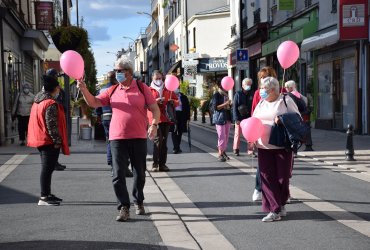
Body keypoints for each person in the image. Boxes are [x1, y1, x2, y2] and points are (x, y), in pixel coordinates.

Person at [77, 57, 160, 222]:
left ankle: (138, 200)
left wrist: (154, 124)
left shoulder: (142, 89)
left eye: (119, 71)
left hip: (138, 137)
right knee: (117, 174)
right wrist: (84, 89)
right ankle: (124, 207)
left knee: (140, 173)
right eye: (116, 70)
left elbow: (155, 109)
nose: (116, 73)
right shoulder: (112, 90)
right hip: (117, 138)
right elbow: (94, 103)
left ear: (128, 72)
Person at [251, 76, 299, 222]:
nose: (261, 91)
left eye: (263, 89)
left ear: (272, 90)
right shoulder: (261, 102)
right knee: (266, 178)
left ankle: (281, 202)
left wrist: (282, 119)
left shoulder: (285, 100)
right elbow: (253, 120)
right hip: (263, 146)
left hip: (282, 145)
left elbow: (297, 118)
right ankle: (274, 209)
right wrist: (251, 139)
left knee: (282, 177)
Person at [27, 75, 70, 206]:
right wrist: (57, 141)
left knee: (47, 168)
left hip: (41, 138)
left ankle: (47, 194)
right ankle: (44, 196)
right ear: (55, 88)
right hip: (48, 141)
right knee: (47, 169)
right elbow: (51, 124)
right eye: (58, 88)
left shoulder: (38, 100)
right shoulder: (50, 103)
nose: (59, 90)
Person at [95, 71, 133, 177]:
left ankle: (113, 167)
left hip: (106, 118)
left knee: (110, 142)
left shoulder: (102, 89)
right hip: (118, 118)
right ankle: (124, 167)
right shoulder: (119, 88)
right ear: (115, 78)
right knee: (124, 142)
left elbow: (97, 104)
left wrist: (98, 116)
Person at [251, 66, 278, 202]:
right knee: (262, 165)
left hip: (279, 135)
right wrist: (252, 136)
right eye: (261, 78)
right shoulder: (258, 94)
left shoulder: (281, 92)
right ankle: (258, 188)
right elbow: (254, 115)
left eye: (265, 77)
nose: (262, 80)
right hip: (263, 135)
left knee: (281, 168)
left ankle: (283, 191)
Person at [148, 70, 179, 172]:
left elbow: (177, 102)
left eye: (160, 78)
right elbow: (145, 105)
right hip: (155, 119)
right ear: (152, 78)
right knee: (158, 140)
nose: (158, 80)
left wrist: (172, 101)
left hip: (166, 118)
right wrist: (155, 102)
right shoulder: (149, 90)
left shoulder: (168, 89)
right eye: (156, 78)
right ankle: (155, 164)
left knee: (164, 142)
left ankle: (162, 164)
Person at [46, 68, 67, 171]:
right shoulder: (47, 88)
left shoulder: (59, 89)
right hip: (51, 117)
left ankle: (55, 162)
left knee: (57, 140)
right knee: (54, 140)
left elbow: (63, 102)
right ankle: (52, 163)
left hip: (58, 116)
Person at [284, 80, 313, 151]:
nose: (285, 88)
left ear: (290, 87)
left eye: (286, 87)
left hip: (298, 114)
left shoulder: (290, 95)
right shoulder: (297, 94)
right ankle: (308, 145)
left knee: (294, 132)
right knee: (305, 129)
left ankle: (295, 149)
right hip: (303, 113)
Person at [211, 81, 232, 162]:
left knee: (226, 137)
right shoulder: (216, 95)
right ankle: (220, 153)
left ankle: (223, 151)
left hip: (227, 117)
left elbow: (228, 106)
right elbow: (215, 107)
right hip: (219, 118)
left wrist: (229, 105)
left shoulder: (226, 94)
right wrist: (225, 104)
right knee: (221, 136)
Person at [232, 78, 254, 156]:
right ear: (243, 85)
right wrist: (236, 118)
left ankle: (250, 150)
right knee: (237, 134)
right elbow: (234, 107)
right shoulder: (238, 94)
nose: (249, 86)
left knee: (250, 134)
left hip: (248, 117)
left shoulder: (251, 93)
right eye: (247, 84)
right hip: (239, 117)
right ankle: (236, 149)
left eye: (250, 85)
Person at [171, 88, 190, 154]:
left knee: (180, 131)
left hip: (182, 115)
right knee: (174, 131)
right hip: (174, 114)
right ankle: (175, 148)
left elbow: (187, 107)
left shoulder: (183, 97)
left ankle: (177, 147)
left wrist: (188, 117)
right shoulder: (170, 96)